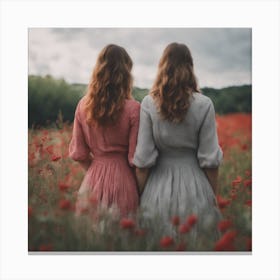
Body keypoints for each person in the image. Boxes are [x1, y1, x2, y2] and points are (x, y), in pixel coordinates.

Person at [133, 43, 223, 241]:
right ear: (190, 66)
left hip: (157, 190)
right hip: (196, 188)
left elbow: (143, 160)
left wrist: (139, 197)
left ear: (162, 66)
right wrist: (211, 197)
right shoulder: (205, 104)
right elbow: (210, 161)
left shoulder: (149, 103)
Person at [69, 44, 140, 218]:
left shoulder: (82, 106)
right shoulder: (134, 109)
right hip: (124, 183)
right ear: (126, 74)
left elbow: (79, 154)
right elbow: (137, 160)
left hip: (92, 181)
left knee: (89, 242)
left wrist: (98, 170)